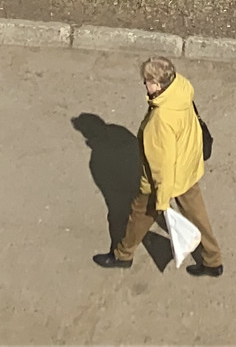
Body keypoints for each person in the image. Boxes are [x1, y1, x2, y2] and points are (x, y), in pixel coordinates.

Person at [95, 56, 223, 277]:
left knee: (140, 214)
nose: (144, 85)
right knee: (197, 215)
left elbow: (162, 166)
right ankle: (213, 260)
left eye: (147, 81)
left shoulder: (160, 119)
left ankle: (123, 255)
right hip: (187, 167)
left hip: (162, 182)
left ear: (156, 84)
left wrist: (162, 201)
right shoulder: (181, 88)